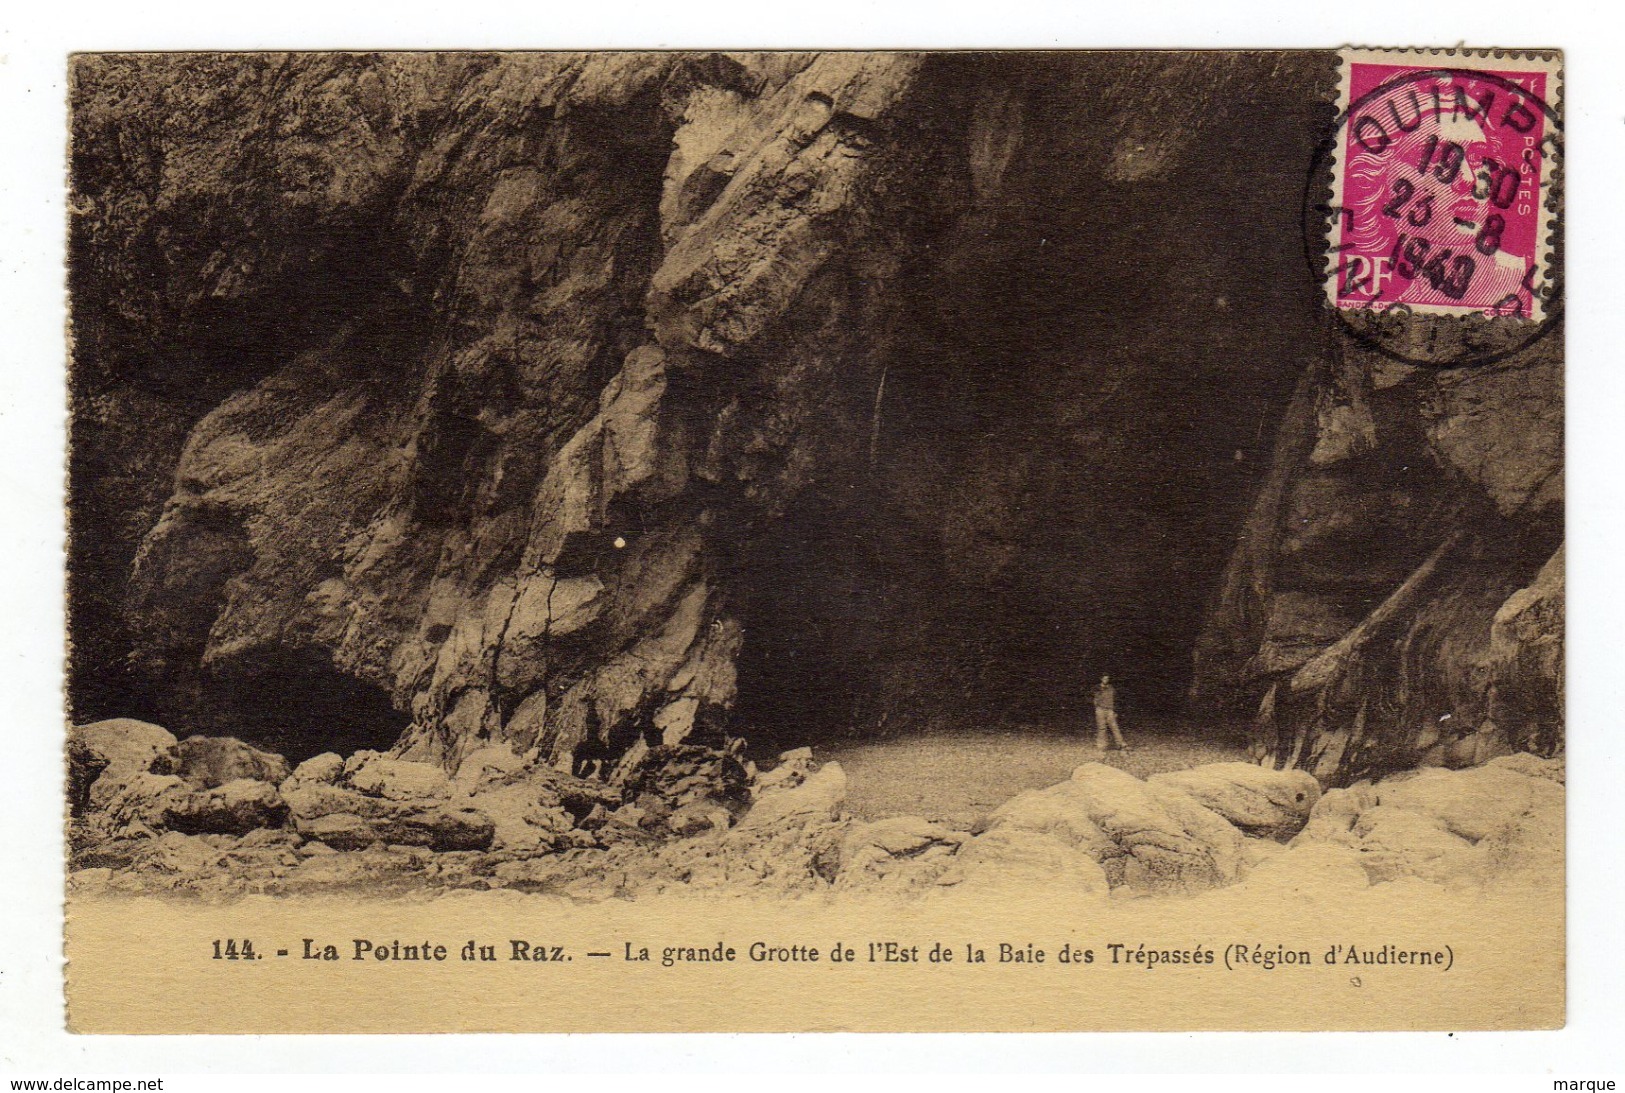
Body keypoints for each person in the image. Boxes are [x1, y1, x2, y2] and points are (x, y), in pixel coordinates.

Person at [1093, 674, 1128, 751]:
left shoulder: (1111, 688)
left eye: (1107, 679)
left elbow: (1115, 699)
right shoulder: (1097, 688)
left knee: (1115, 727)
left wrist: (1115, 710)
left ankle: (1121, 744)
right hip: (1100, 710)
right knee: (1102, 728)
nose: (1106, 680)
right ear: (1101, 679)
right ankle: (1102, 746)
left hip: (1110, 710)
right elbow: (1095, 699)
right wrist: (1097, 708)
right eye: (1104, 678)